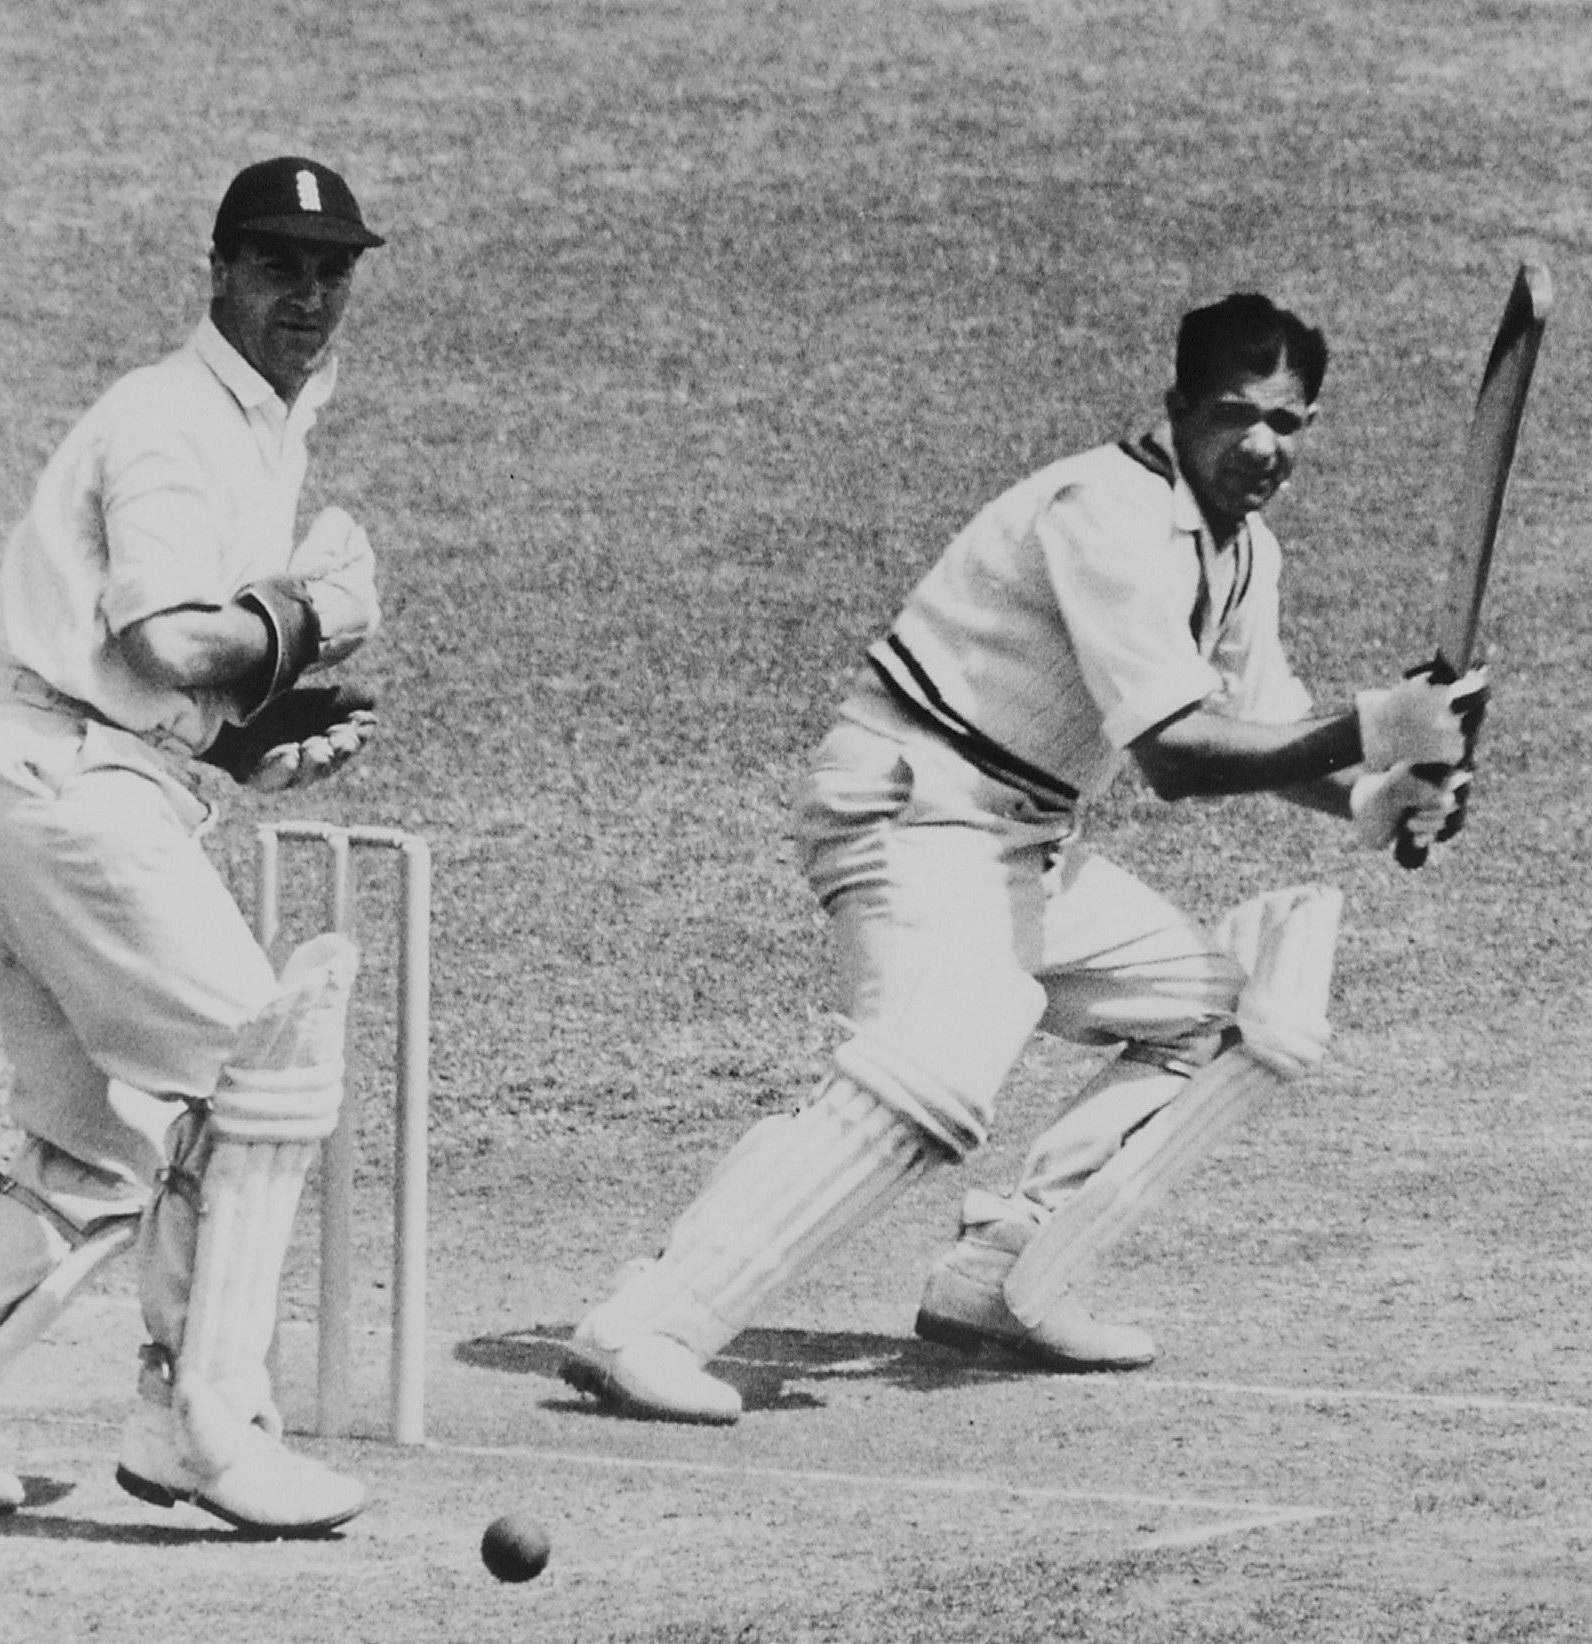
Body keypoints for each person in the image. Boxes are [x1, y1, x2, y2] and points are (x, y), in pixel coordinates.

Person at [564, 291, 1487, 1425]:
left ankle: (1002, 1274)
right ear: (1176, 408)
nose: (1258, 445)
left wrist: (1378, 796)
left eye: (1286, 423)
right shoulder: (1105, 513)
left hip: (1025, 843)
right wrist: (1377, 725)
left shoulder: (1242, 551)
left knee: (1218, 1013)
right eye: (1233, 414)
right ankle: (647, 1323)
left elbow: (1262, 725)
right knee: (936, 1070)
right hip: (910, 805)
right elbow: (1179, 757)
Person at [0, 157, 392, 1534]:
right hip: (63, 788)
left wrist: (234, 741)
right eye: (273, 264)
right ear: (217, 271)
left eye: (330, 269)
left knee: (96, 1143)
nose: (305, 292)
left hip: (27, 778)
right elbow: (167, 638)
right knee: (266, 1067)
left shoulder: (263, 419)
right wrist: (311, 617)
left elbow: (146, 671)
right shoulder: (172, 419)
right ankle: (204, 1421)